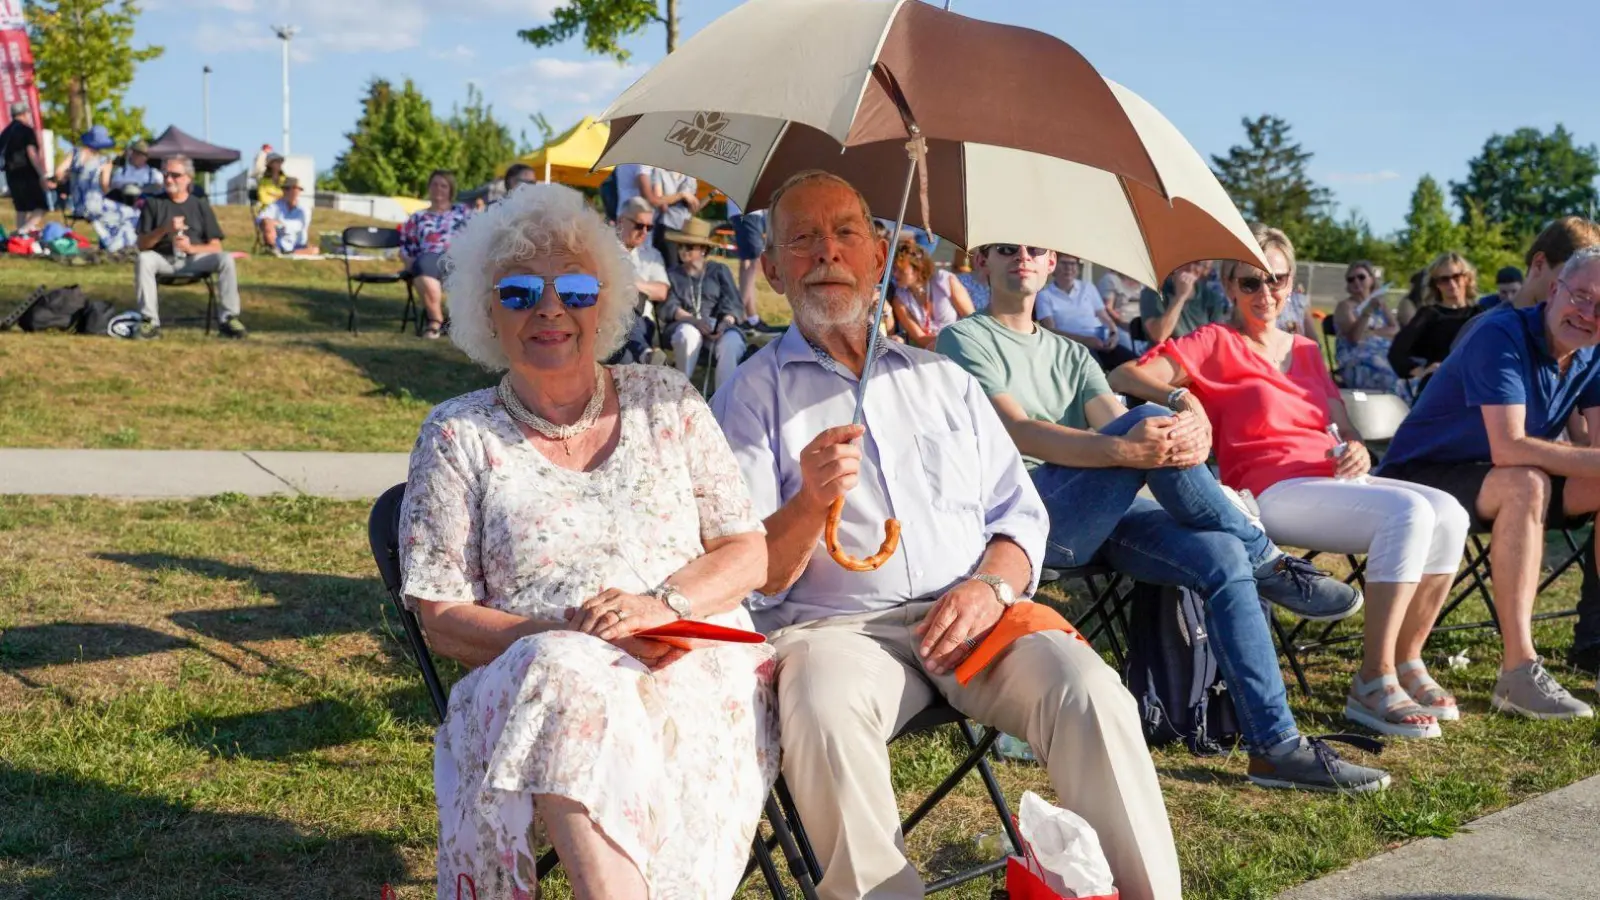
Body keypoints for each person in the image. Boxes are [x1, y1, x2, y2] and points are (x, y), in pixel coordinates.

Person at [711, 170, 1183, 900]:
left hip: (973, 613)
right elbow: (755, 572)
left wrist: (991, 585)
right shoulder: (749, 396)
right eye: (801, 239)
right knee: (822, 704)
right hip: (836, 631)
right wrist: (810, 500)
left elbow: (1020, 517)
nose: (826, 253)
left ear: (878, 257)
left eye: (846, 233)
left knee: (1089, 691)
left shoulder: (944, 380)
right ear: (772, 268)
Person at [400, 182, 778, 899]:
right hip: (530, 672)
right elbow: (442, 618)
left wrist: (659, 605)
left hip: (686, 655)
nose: (550, 308)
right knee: (567, 674)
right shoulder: (456, 434)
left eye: (574, 288)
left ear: (606, 302)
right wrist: (573, 634)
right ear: (486, 308)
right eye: (519, 293)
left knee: (597, 684)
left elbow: (746, 552)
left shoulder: (668, 400)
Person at [941, 235, 1388, 786]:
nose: (1024, 258)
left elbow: (1123, 428)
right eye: (1007, 249)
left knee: (1221, 553)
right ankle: (1270, 562)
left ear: (1054, 260)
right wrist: (1129, 446)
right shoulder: (962, 339)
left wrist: (1180, 415)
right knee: (1143, 421)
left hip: (1103, 509)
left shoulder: (1072, 354)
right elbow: (1022, 431)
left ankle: (1276, 746)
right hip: (1028, 521)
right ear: (981, 262)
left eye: (1036, 249)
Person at [1111, 225, 1473, 739]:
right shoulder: (1214, 341)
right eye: (1250, 282)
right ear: (1229, 286)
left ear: (1291, 282)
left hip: (1331, 480)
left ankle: (1407, 659)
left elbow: (1339, 423)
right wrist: (1182, 398)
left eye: (1276, 280)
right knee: (1409, 514)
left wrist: (1356, 449)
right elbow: (1124, 376)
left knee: (1451, 512)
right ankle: (1373, 681)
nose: (1266, 293)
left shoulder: (1304, 348)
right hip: (1269, 488)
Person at [1373, 246, 1600, 719]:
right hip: (1420, 475)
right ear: (1555, 288)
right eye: (1582, 296)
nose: (1589, 314)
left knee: (1535, 481)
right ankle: (1519, 669)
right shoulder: (1500, 333)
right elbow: (1509, 447)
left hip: (1496, 478)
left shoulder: (1591, 352)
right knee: (1527, 484)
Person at [133, 155, 247, 340]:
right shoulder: (153, 203)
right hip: (164, 259)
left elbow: (216, 246)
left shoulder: (199, 205)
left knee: (226, 259)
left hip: (194, 260)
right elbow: (142, 245)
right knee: (143, 259)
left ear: (188, 178)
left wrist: (191, 248)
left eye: (175, 175)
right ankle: (149, 322)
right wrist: (164, 230)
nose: (169, 179)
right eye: (166, 174)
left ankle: (229, 319)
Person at [662, 217, 746, 392]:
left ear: (703, 250)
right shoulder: (672, 274)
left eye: (689, 246)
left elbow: (732, 302)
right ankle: (680, 394)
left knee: (732, 342)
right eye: (680, 245)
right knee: (688, 335)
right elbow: (670, 306)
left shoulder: (719, 270)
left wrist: (724, 323)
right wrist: (694, 321)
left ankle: (724, 400)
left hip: (719, 326)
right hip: (685, 325)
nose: (683, 250)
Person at [1388, 252, 1484, 386]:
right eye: (1444, 279)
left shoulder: (1481, 314)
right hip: (1440, 387)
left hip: (1476, 385)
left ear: (1466, 278)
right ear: (1436, 284)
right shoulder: (1428, 315)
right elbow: (1396, 353)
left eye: (1456, 277)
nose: (1451, 283)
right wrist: (1422, 372)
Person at [399, 170, 471, 340]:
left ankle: (464, 325)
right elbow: (405, 246)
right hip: (429, 260)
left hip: (459, 258)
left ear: (451, 190)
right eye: (434, 184)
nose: (438, 189)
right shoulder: (418, 217)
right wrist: (408, 261)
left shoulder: (464, 212)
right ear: (429, 188)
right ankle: (436, 322)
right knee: (422, 265)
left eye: (443, 185)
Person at [1035, 254, 1136, 370]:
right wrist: (1085, 340)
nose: (1069, 268)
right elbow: (1050, 331)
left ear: (1078, 268)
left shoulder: (1088, 287)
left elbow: (1104, 317)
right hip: (1072, 347)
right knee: (1096, 370)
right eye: (1064, 263)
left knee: (1134, 365)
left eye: (1073, 263)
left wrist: (1113, 334)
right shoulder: (1044, 295)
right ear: (1053, 267)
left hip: (1100, 342)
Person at [614, 196, 669, 366]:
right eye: (639, 225)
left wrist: (630, 284)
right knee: (627, 357)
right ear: (621, 221)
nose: (644, 232)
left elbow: (661, 292)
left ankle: (644, 354)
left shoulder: (651, 255)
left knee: (629, 308)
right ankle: (645, 354)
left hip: (642, 321)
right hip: (605, 318)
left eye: (649, 227)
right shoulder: (603, 248)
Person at [1333, 260, 1403, 393]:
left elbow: (1396, 329)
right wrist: (1368, 311)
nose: (1356, 282)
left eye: (1361, 277)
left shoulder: (1380, 303)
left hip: (1385, 355)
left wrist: (1371, 332)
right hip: (1358, 361)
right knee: (1390, 379)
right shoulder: (1345, 306)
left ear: (1371, 279)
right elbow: (1355, 338)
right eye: (1351, 279)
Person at [888, 240, 973, 348]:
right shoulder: (900, 299)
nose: (895, 274)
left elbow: (972, 319)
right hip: (932, 352)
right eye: (894, 269)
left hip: (964, 344)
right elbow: (920, 338)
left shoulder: (945, 281)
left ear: (917, 269)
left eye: (900, 270)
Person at [725, 197, 782, 332]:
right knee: (752, 261)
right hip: (747, 210)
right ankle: (738, 316)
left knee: (747, 262)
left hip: (747, 211)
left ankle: (750, 318)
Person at [1138, 260, 1230, 343]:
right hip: (1165, 357)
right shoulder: (1152, 293)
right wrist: (1180, 297)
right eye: (1186, 261)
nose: (1190, 268)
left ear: (1204, 271)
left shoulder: (1211, 297)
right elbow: (1159, 336)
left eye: (1197, 263)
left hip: (1199, 356)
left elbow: (1217, 338)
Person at [0, 102, 49, 233]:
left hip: (10, 174)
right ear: (25, 113)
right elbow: (31, 153)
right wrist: (42, 174)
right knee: (41, 206)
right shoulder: (26, 130)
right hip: (25, 172)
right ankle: (22, 232)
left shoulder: (5, 133)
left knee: (21, 208)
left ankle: (19, 239)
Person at [641, 166, 700, 269]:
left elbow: (693, 208)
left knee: (685, 269)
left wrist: (711, 195)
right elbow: (659, 203)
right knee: (671, 267)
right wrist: (682, 195)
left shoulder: (691, 177)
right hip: (666, 227)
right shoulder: (660, 171)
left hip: (686, 230)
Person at [256, 178, 315, 256]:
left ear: (297, 191)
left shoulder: (304, 209)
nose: (285, 191)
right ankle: (272, 248)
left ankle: (283, 253)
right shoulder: (276, 205)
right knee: (267, 223)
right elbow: (261, 218)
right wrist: (269, 223)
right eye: (285, 189)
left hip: (297, 244)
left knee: (314, 250)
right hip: (279, 243)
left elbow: (298, 226)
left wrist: (277, 224)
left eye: (289, 189)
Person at [1098, 267, 1146, 350]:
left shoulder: (1144, 283)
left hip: (1143, 327)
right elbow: (1108, 308)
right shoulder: (1111, 279)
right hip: (1119, 326)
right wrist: (1126, 326)